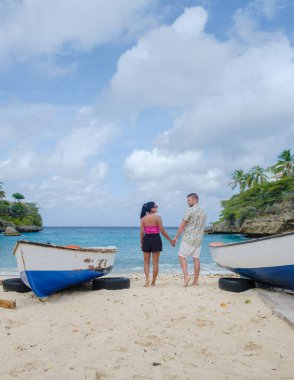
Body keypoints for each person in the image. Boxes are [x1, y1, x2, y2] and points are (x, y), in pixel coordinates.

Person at [173, 193, 206, 287]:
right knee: (196, 259)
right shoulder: (203, 212)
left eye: (189, 200)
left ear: (195, 200)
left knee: (181, 256)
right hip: (198, 239)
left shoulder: (190, 210)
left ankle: (186, 276)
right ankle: (195, 281)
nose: (187, 202)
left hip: (188, 238)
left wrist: (176, 237)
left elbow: (182, 224)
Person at [140, 201, 174, 287]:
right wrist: (170, 240)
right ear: (151, 208)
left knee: (146, 262)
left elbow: (142, 232)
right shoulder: (158, 218)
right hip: (156, 239)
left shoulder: (143, 219)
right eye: (155, 206)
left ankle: (147, 278)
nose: (157, 207)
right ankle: (153, 282)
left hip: (146, 239)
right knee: (155, 262)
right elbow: (162, 230)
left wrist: (141, 241)